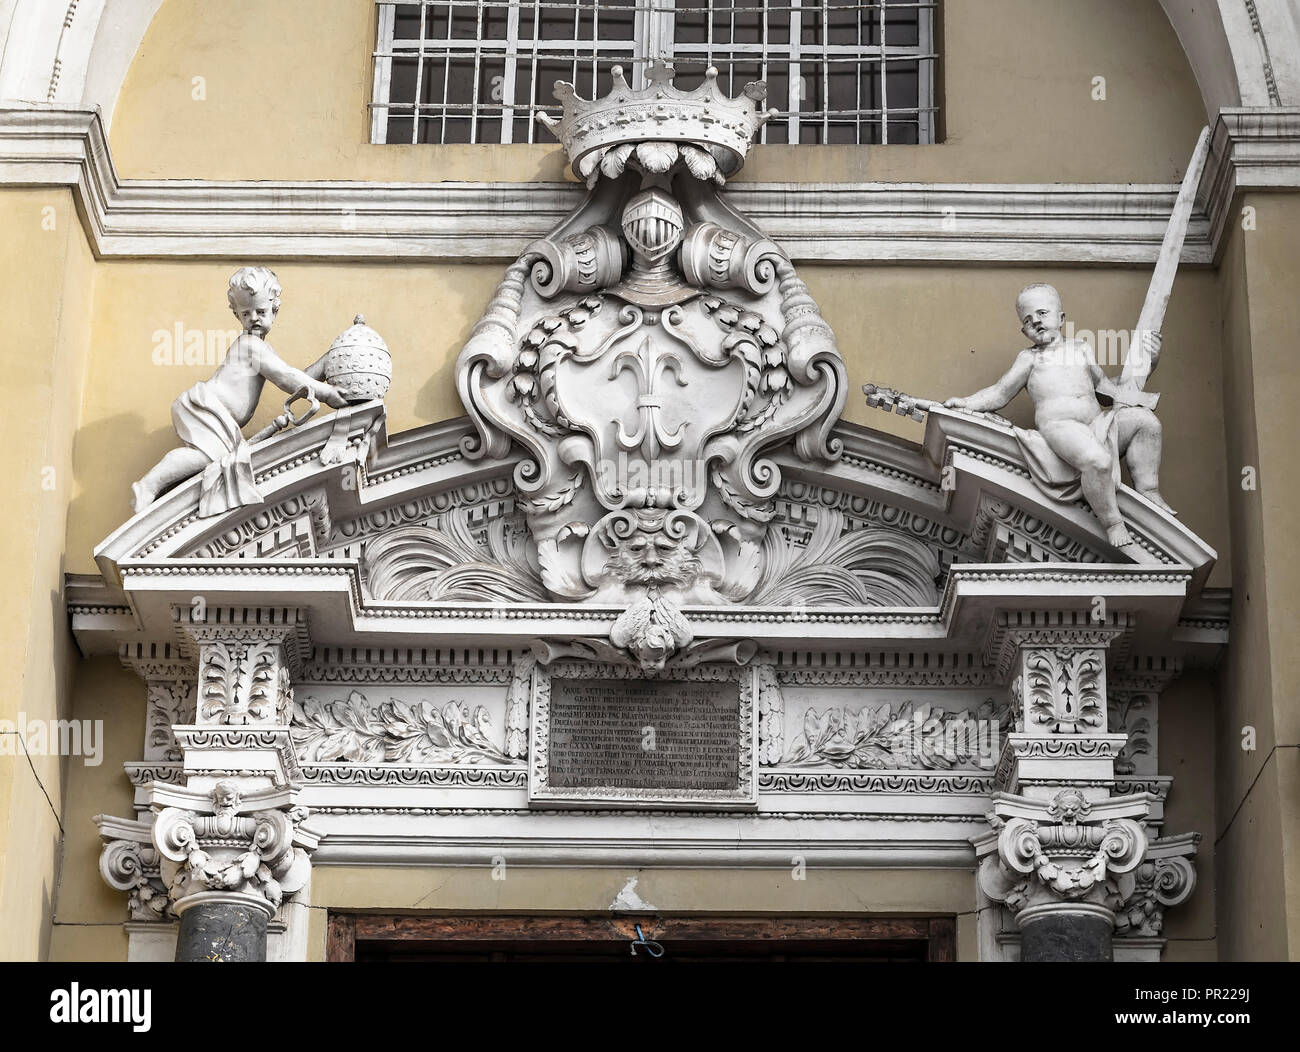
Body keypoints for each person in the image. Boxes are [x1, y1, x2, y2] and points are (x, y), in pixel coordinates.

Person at [944, 283, 1168, 547]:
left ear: (1061, 318)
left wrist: (1147, 364)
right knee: (1097, 461)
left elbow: (1110, 391)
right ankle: (1113, 522)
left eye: (1042, 313)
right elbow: (999, 393)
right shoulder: (1029, 359)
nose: (1036, 322)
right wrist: (966, 403)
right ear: (1024, 331)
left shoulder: (1081, 348)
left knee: (1146, 423)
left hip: (1098, 423)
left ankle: (1149, 491)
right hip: (1061, 427)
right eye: (1028, 320)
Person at [131, 267, 348, 517]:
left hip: (214, 412)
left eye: (261, 312)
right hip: (206, 407)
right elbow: (288, 378)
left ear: (275, 311)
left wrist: (326, 363)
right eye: (246, 313)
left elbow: (295, 380)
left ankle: (160, 490)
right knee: (205, 456)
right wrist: (327, 394)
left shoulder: (263, 350)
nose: (254, 318)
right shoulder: (249, 345)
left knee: (208, 456)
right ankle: (148, 485)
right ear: (237, 316)